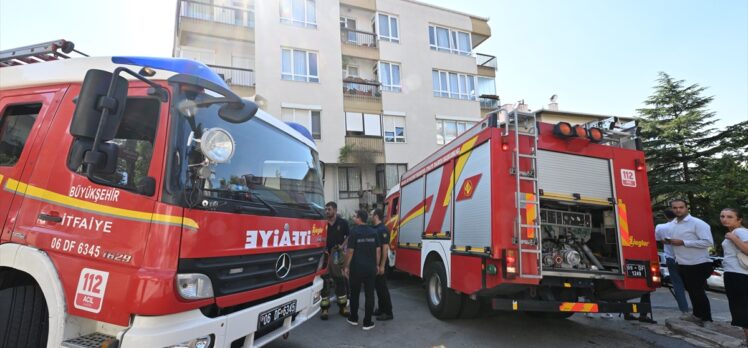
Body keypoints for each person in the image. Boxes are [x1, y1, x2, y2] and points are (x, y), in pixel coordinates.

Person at [665, 199, 714, 325]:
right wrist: (669, 241)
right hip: (682, 263)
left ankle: (706, 318)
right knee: (692, 291)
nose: (678, 210)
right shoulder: (673, 224)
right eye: (675, 208)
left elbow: (708, 242)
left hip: (698, 263)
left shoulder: (697, 223)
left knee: (697, 291)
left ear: (686, 208)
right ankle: (698, 315)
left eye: (681, 207)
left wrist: (684, 242)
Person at [343, 210, 381, 330]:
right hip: (370, 268)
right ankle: (367, 322)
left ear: (359, 218)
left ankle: (353, 318)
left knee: (354, 294)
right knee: (370, 295)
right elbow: (378, 250)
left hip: (356, 269)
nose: (354, 218)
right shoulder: (373, 232)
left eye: (355, 216)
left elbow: (350, 251)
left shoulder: (354, 232)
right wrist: (377, 265)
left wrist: (346, 266)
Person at [720, 208, 748, 345]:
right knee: (742, 307)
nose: (725, 219)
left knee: (742, 308)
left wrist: (734, 238)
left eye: (730, 217)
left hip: (738, 275)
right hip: (736, 274)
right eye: (723, 216)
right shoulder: (736, 232)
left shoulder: (739, 232)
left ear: (739, 219)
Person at [655, 209, 690, 314]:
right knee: (694, 285)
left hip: (671, 258)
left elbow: (658, 240)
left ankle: (684, 310)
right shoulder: (686, 226)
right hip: (687, 259)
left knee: (678, 285)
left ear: (665, 216)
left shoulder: (661, 227)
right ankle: (700, 310)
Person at [320, 202, 350, 320]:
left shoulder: (343, 223)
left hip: (337, 254)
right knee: (325, 281)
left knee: (340, 279)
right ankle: (325, 309)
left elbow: (349, 236)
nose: (327, 211)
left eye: (329, 209)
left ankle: (343, 307)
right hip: (325, 255)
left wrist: (342, 246)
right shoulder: (322, 224)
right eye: (326, 209)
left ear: (335, 210)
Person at [370, 209, 393, 321]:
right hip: (375, 263)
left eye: (371, 214)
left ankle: (388, 312)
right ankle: (381, 309)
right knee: (378, 288)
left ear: (376, 216)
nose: (370, 215)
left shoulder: (382, 229)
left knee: (382, 288)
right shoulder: (375, 229)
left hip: (381, 263)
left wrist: (382, 265)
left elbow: (385, 248)